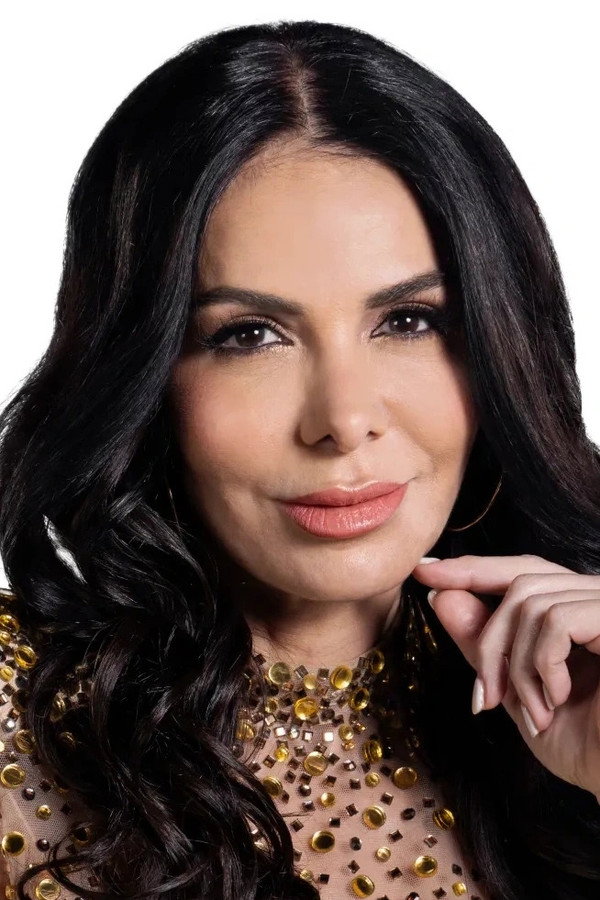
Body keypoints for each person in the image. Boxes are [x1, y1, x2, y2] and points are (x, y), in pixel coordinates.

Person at [1, 18, 599, 900]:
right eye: (249, 335)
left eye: (408, 321)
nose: (344, 421)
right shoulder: (16, 719)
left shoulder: (573, 697)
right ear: (143, 372)